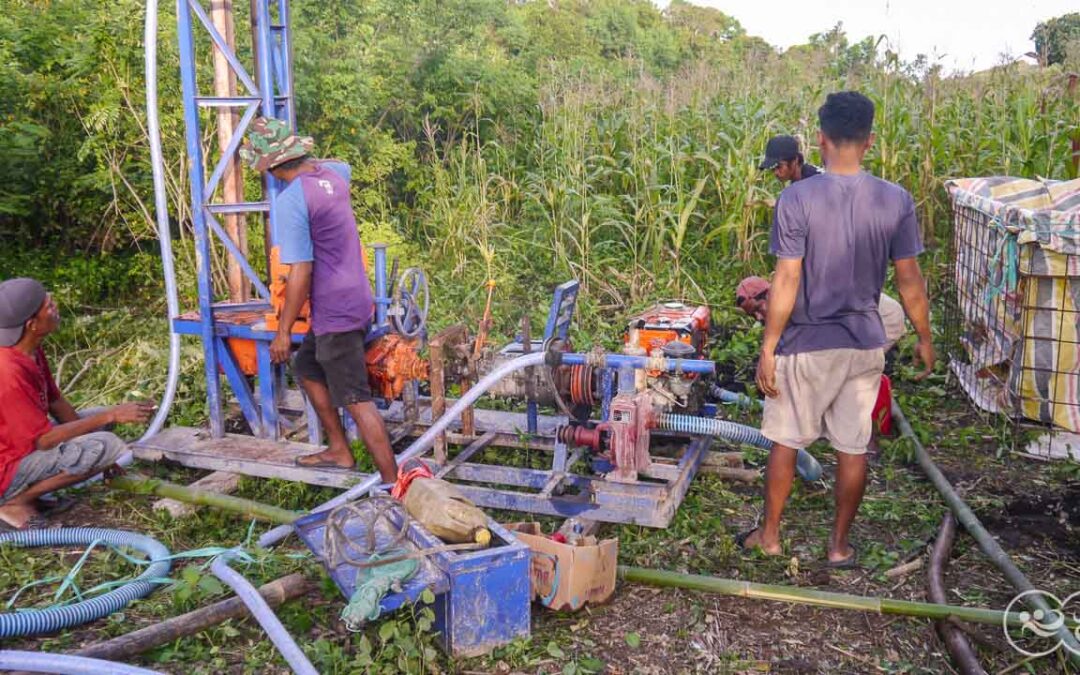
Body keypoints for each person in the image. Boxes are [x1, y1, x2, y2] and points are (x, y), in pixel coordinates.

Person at [738, 92, 934, 568]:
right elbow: (909, 281)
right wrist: (925, 338)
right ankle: (839, 546)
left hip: (806, 343)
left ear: (820, 139)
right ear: (869, 141)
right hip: (864, 345)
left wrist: (769, 347)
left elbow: (786, 279)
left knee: (785, 440)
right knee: (853, 446)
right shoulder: (895, 200)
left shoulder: (796, 198)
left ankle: (769, 536)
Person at [240, 117, 398, 483]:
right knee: (308, 367)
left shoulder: (291, 202)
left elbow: (300, 272)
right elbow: (337, 162)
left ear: (271, 167)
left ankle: (394, 484)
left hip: (336, 310)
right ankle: (340, 451)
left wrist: (282, 332)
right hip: (357, 297)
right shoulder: (335, 174)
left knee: (356, 399)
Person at [0, 278, 154, 530]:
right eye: (49, 307)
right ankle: (13, 503)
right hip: (6, 468)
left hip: (20, 447)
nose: (55, 307)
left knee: (98, 432)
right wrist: (109, 417)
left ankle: (32, 495)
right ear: (32, 325)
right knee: (107, 443)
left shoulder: (30, 350)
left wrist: (100, 439)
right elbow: (43, 441)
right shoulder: (7, 372)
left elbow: (56, 401)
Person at [736, 276, 907, 354]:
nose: (758, 318)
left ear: (768, 294)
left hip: (883, 317)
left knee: (853, 370)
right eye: (753, 316)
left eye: (758, 309)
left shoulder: (796, 299)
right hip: (857, 321)